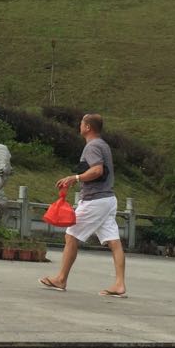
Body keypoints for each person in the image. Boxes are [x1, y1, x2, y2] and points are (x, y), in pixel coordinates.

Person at [39, 113, 127, 296]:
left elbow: (97, 170)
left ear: (87, 127)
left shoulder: (92, 146)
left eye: (81, 123)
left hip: (95, 200)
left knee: (71, 235)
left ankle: (61, 279)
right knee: (114, 242)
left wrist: (75, 178)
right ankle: (119, 284)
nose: (79, 126)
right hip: (108, 199)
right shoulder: (103, 145)